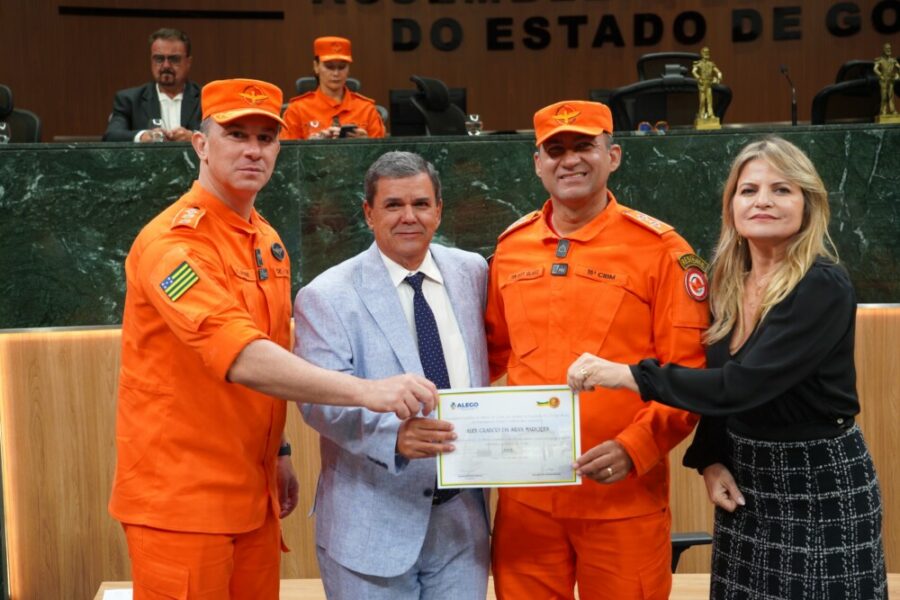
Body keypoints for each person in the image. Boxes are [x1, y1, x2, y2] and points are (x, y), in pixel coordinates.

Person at [109, 80, 438, 600]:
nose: (253, 150)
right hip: (182, 502)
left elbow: (274, 349)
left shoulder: (266, 240)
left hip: (253, 494)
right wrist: (368, 392)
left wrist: (280, 448)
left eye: (266, 138)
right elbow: (241, 355)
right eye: (237, 134)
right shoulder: (173, 245)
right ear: (201, 144)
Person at [568, 137, 887, 600]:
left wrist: (629, 375)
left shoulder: (821, 284)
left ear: (808, 204)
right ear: (732, 206)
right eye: (748, 190)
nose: (763, 201)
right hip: (745, 478)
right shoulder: (727, 284)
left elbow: (741, 385)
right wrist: (711, 458)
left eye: (781, 190)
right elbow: (717, 379)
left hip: (818, 482)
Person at [484, 100, 709, 600]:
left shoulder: (661, 249)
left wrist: (635, 448)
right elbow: (487, 357)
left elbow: (688, 372)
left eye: (584, 146)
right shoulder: (510, 248)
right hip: (526, 501)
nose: (570, 160)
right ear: (537, 163)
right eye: (555, 150)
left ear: (614, 156)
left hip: (622, 499)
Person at [293, 150, 490, 599]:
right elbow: (317, 401)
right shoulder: (326, 295)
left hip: (462, 526)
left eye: (420, 204)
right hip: (370, 525)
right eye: (393, 205)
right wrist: (393, 437)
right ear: (368, 213)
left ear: (439, 210)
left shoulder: (472, 272)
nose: (409, 217)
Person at [103, 28, 201, 143]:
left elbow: (220, 135)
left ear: (188, 62)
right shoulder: (129, 100)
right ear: (151, 60)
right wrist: (142, 136)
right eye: (159, 59)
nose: (166, 66)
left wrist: (194, 137)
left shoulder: (206, 99)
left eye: (174, 59)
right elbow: (111, 135)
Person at [280, 36, 385, 140]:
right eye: (329, 67)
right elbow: (286, 149)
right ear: (316, 66)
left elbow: (383, 150)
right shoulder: (297, 110)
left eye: (342, 67)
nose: (336, 73)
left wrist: (367, 143)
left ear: (348, 69)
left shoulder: (367, 109)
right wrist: (310, 145)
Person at [692, 46, 722, 120]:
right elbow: (693, 71)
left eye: (708, 52)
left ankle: (710, 114)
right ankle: (701, 114)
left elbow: (717, 71)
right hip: (702, 84)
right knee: (702, 101)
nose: (707, 54)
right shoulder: (699, 63)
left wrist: (719, 76)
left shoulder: (711, 64)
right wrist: (698, 78)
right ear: (702, 53)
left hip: (709, 84)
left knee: (709, 101)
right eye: (705, 52)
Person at [874, 42, 899, 116]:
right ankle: (883, 111)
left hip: (891, 80)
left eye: (889, 48)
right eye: (887, 48)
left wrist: (897, 75)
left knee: (891, 96)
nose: (889, 50)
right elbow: (875, 69)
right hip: (883, 80)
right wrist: (880, 75)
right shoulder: (880, 60)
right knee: (884, 96)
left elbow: (899, 67)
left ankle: (892, 110)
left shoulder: (893, 60)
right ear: (884, 50)